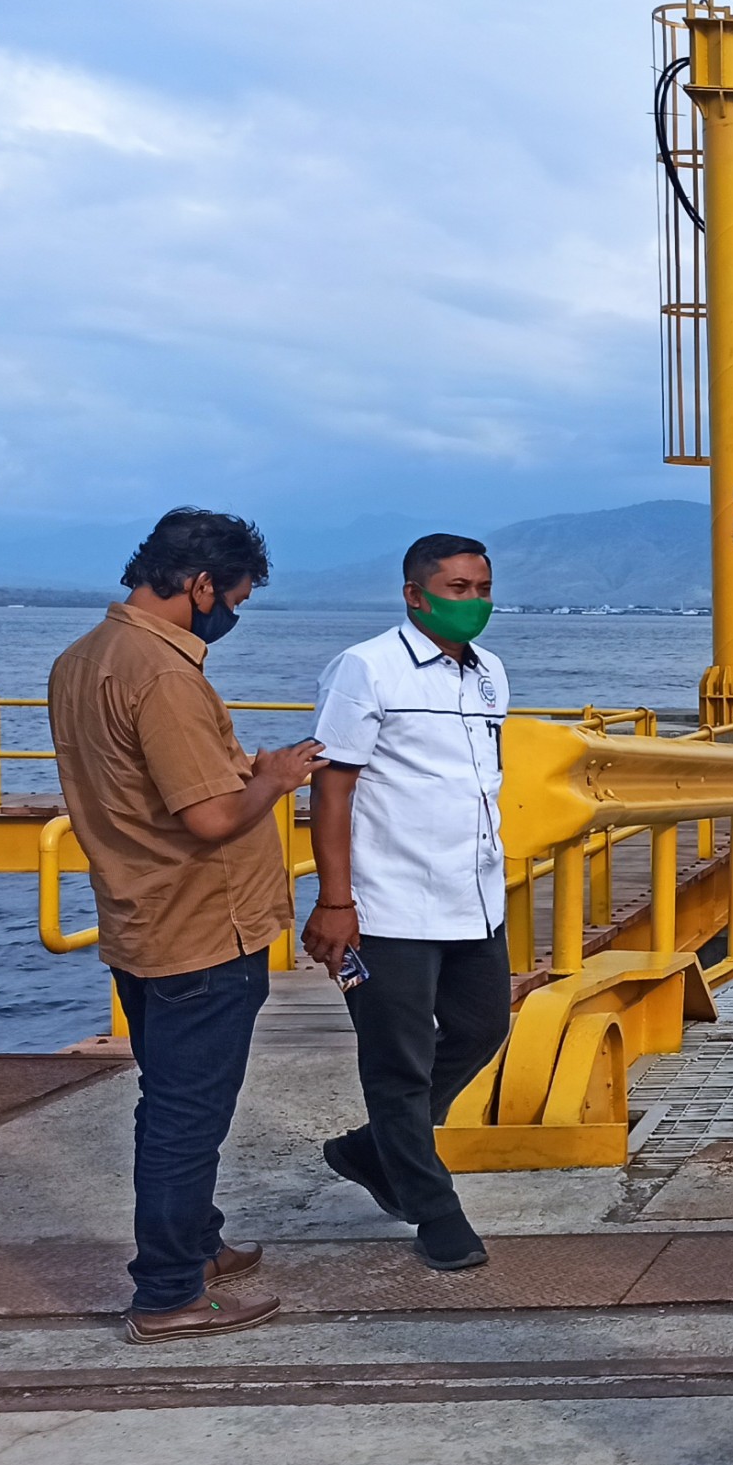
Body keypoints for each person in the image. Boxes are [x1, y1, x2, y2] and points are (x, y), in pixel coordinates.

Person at [47, 508, 326, 1343]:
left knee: (166, 1099)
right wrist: (274, 779)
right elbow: (208, 818)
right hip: (202, 928)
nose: (231, 613)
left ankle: (195, 1244)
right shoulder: (164, 675)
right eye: (233, 596)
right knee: (187, 1115)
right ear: (201, 584)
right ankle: (168, 1293)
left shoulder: (79, 659)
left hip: (139, 919)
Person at [300, 533, 512, 1273]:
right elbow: (332, 787)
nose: (474, 602)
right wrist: (335, 901)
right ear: (414, 595)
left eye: (482, 587)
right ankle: (433, 1208)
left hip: (474, 896)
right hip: (385, 904)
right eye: (457, 589)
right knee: (398, 1062)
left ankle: (371, 1149)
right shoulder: (367, 668)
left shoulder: (491, 676)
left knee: (484, 1027)